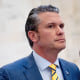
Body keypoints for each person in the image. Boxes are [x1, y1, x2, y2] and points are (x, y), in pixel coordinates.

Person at [0, 5, 80, 80]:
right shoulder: (9, 74)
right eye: (51, 26)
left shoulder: (73, 70)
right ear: (33, 36)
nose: (60, 31)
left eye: (61, 26)